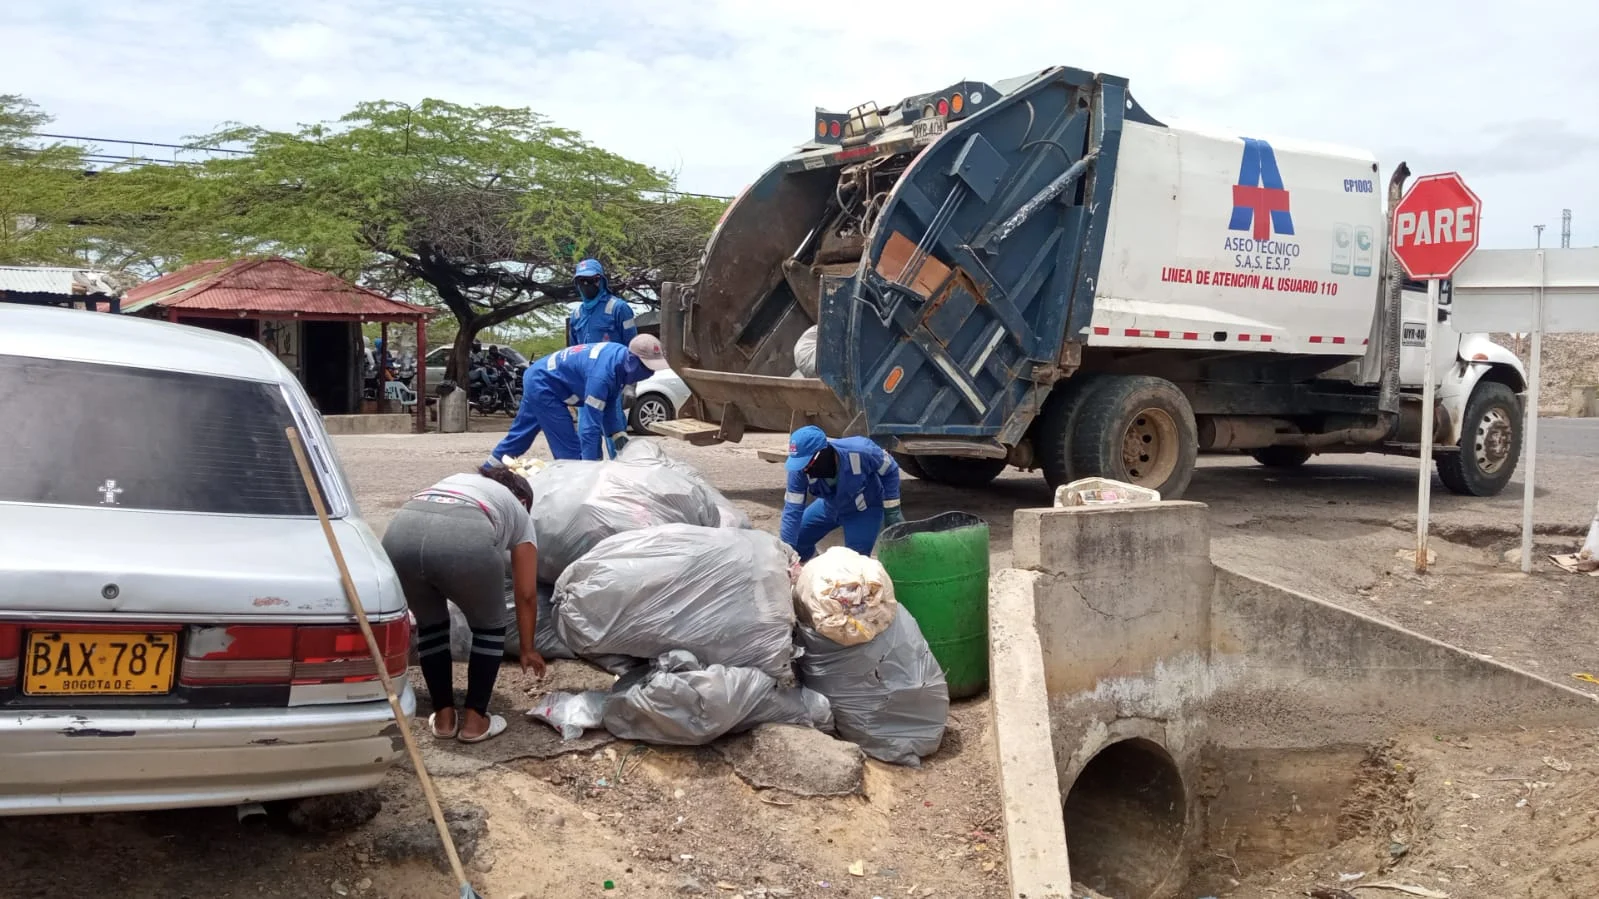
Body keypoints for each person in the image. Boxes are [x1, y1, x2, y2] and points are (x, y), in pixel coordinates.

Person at [381, 462, 546, 744]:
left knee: (431, 625)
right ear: (522, 501)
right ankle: (474, 722)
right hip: (464, 540)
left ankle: (444, 719)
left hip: (399, 536)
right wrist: (527, 649)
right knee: (490, 627)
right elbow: (526, 593)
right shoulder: (518, 510)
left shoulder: (460, 481)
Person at [492, 334, 668, 463]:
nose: (649, 373)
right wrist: (588, 472)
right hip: (545, 386)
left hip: (538, 375)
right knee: (570, 454)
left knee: (520, 436)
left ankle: (488, 470)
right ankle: (574, 496)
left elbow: (609, 408)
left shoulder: (618, 361)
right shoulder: (601, 377)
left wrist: (618, 437)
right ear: (632, 360)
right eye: (646, 367)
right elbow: (590, 428)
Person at [780, 425, 905, 562]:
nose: (804, 469)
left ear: (823, 453)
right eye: (800, 464)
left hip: (863, 510)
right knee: (797, 542)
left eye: (807, 463)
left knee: (854, 564)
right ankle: (818, 567)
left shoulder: (862, 451)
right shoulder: (799, 469)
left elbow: (890, 469)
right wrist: (787, 552)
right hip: (829, 506)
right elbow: (792, 510)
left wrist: (892, 510)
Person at [566, 258, 638, 346]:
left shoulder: (619, 308)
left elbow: (633, 345)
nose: (586, 284)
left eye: (590, 280)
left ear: (601, 281)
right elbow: (573, 351)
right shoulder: (576, 316)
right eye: (581, 281)